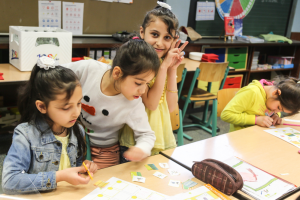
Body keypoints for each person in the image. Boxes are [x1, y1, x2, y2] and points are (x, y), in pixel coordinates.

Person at [2, 57, 97, 195]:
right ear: (42, 106)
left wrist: (84, 168)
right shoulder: (25, 135)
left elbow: (74, 168)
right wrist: (60, 176)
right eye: (66, 108)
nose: (76, 113)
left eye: (78, 103)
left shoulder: (78, 130)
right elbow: (9, 182)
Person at [63, 39, 160, 169]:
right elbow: (58, 73)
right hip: (72, 139)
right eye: (138, 83)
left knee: (101, 183)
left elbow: (147, 135)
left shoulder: (133, 103)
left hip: (104, 150)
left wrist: (141, 149)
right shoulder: (89, 69)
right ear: (117, 73)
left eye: (147, 83)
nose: (143, 91)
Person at [119, 1, 188, 159]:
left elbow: (171, 106)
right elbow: (151, 104)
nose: (160, 43)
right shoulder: (139, 62)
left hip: (161, 135)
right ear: (142, 32)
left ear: (174, 40)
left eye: (167, 38)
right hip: (136, 139)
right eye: (155, 35)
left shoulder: (164, 64)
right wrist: (164, 67)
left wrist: (172, 69)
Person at [221, 77, 300, 132]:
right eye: (278, 107)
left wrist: (275, 116)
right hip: (241, 137)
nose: (277, 111)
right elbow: (226, 115)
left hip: (259, 135)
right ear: (276, 93)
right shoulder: (252, 92)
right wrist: (256, 120)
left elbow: (273, 111)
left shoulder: (272, 99)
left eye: (281, 111)